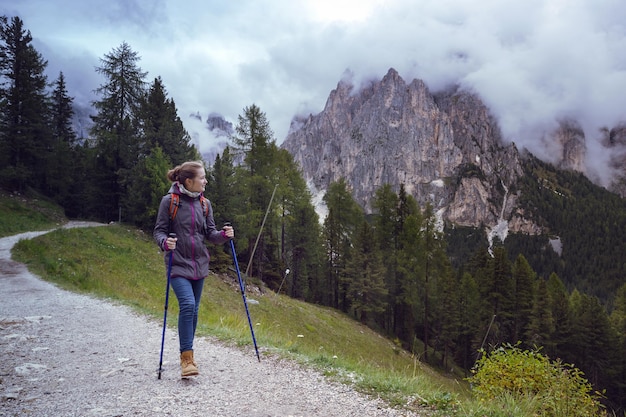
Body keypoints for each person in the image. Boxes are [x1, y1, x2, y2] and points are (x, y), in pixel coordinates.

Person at [154, 160, 234, 377]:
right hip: (177, 265)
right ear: (189, 181)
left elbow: (210, 234)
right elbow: (159, 232)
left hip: (199, 265)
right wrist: (165, 243)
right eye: (202, 178)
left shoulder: (204, 204)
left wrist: (224, 236)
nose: (205, 181)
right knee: (188, 305)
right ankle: (187, 360)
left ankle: (188, 351)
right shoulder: (169, 202)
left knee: (194, 311)